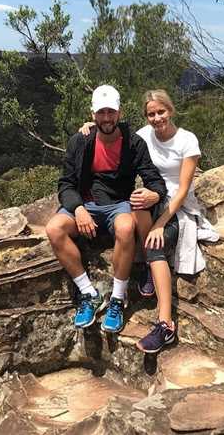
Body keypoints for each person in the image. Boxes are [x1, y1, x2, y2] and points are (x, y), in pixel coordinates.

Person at [80, 89, 212, 353]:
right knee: (138, 200)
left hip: (176, 206)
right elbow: (113, 127)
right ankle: (148, 261)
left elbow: (183, 190)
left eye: (161, 112)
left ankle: (166, 325)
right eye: (151, 114)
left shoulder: (187, 140)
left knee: (155, 246)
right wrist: (90, 125)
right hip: (151, 201)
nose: (156, 118)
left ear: (170, 111)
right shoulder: (142, 136)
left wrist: (161, 223)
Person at [46, 85, 166, 334]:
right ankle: (89, 294)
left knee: (125, 226)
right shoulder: (80, 141)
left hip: (118, 204)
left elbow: (154, 181)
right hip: (85, 203)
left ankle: (117, 299)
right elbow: (66, 184)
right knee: (54, 229)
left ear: (119, 113)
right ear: (93, 115)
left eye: (111, 112)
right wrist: (78, 208)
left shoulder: (133, 143)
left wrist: (154, 194)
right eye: (101, 112)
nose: (107, 118)